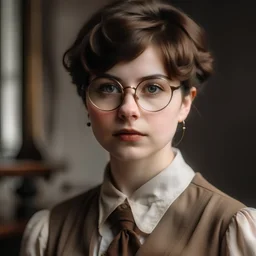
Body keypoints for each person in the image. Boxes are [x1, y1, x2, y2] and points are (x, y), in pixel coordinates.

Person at [20, 0, 256, 255]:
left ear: (185, 103)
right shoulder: (49, 232)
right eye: (108, 87)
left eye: (153, 88)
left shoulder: (231, 230)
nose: (128, 109)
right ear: (86, 100)